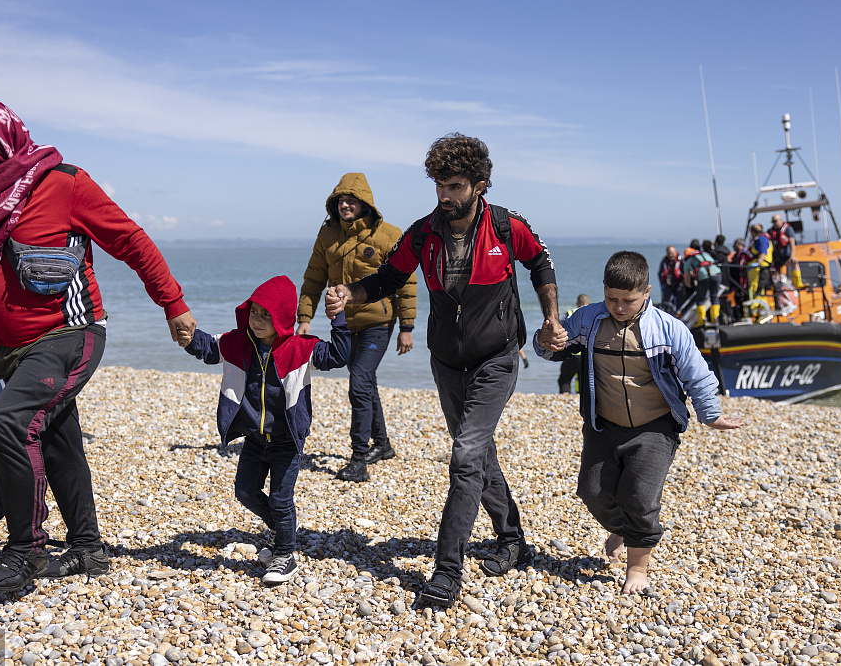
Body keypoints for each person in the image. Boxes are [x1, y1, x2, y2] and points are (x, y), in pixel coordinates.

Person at [0, 99, 197, 592]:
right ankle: (87, 549)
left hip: (69, 335)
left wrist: (174, 304)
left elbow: (131, 240)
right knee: (57, 441)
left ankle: (25, 555)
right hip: (9, 351)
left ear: (2, 139)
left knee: (10, 424)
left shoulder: (64, 183)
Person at [325, 133, 566, 608]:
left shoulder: (505, 226)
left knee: (464, 456)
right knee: (477, 455)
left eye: (454, 186)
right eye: (438, 185)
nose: (444, 196)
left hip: (497, 358)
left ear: (480, 185)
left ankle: (446, 570)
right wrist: (350, 294)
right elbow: (389, 278)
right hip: (446, 361)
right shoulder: (423, 232)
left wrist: (551, 318)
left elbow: (540, 263)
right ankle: (513, 539)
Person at [537, 251, 742, 594]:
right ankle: (625, 529)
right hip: (603, 425)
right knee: (592, 492)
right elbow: (552, 345)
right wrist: (546, 340)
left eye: (628, 300)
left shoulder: (668, 328)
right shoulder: (587, 320)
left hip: (655, 426)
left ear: (646, 292)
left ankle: (637, 568)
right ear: (603, 290)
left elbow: (697, 374)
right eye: (611, 298)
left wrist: (711, 414)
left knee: (640, 496)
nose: (618, 307)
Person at [180, 276, 350, 584]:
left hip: (286, 441)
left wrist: (338, 320)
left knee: (281, 499)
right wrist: (189, 336)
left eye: (265, 314)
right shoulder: (238, 344)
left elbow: (339, 356)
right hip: (255, 440)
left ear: (282, 318)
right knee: (244, 492)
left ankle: (285, 555)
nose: (256, 320)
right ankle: (281, 529)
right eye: (253, 311)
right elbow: (208, 347)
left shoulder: (301, 349)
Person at [296, 173, 417, 482]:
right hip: (343, 324)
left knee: (359, 381)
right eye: (340, 200)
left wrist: (407, 326)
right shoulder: (327, 236)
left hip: (378, 322)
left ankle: (359, 458)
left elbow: (406, 282)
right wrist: (304, 320)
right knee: (364, 382)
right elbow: (313, 279)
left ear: (365, 204)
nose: (344, 205)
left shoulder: (389, 235)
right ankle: (383, 445)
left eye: (350, 200)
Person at [681, 239, 722, 327]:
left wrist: (688, 285)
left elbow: (686, 277)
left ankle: (701, 321)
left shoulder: (689, 261)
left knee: (700, 300)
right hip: (716, 274)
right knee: (714, 297)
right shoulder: (705, 254)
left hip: (704, 278)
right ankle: (715, 318)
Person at [557, 294, 590, 393]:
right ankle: (580, 397)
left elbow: (560, 329)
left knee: (564, 379)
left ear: (577, 304)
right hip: (586, 354)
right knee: (582, 379)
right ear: (589, 303)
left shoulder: (569, 313)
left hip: (572, 353)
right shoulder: (592, 315)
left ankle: (565, 396)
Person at [768, 213, 804, 288]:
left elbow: (792, 242)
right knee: (772, 271)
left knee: (794, 263)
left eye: (776, 221)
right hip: (775, 257)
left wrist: (792, 256)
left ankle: (798, 284)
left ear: (780, 220)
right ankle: (774, 287)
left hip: (785, 255)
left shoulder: (788, 229)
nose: (774, 223)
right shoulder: (770, 231)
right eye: (773, 222)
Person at [747, 223, 773, 301]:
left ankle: (757, 306)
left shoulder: (761, 239)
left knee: (758, 287)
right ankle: (756, 304)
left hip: (761, 268)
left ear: (752, 232)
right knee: (756, 287)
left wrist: (757, 263)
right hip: (758, 268)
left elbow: (763, 252)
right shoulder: (760, 239)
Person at [656, 246, 682, 313]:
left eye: (672, 253)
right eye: (669, 253)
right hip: (668, 284)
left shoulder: (681, 261)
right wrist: (662, 283)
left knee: (680, 298)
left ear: (675, 252)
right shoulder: (664, 261)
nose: (670, 255)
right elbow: (660, 273)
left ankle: (679, 312)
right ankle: (666, 313)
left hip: (679, 283)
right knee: (666, 300)